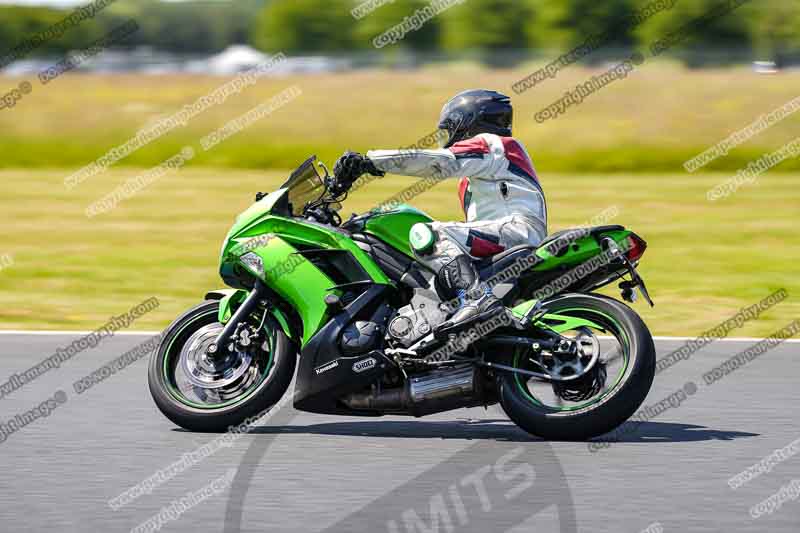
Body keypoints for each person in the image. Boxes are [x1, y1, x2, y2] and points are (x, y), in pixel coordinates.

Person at [334, 89, 548, 336]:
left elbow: (440, 162)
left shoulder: (494, 144)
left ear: (468, 122)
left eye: (450, 129)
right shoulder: (478, 176)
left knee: (429, 234)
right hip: (506, 234)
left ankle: (477, 300)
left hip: (517, 230)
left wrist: (371, 162)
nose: (448, 138)